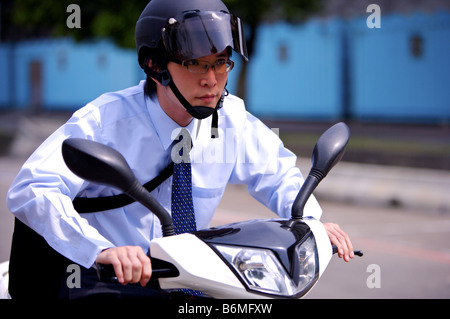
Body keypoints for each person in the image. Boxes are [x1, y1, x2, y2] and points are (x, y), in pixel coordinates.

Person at [6, 0, 354, 299]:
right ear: (156, 66)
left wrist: (310, 221)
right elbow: (32, 188)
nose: (212, 79)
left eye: (221, 62)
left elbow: (278, 175)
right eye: (195, 63)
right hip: (103, 280)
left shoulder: (230, 119)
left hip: (189, 279)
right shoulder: (106, 122)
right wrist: (102, 249)